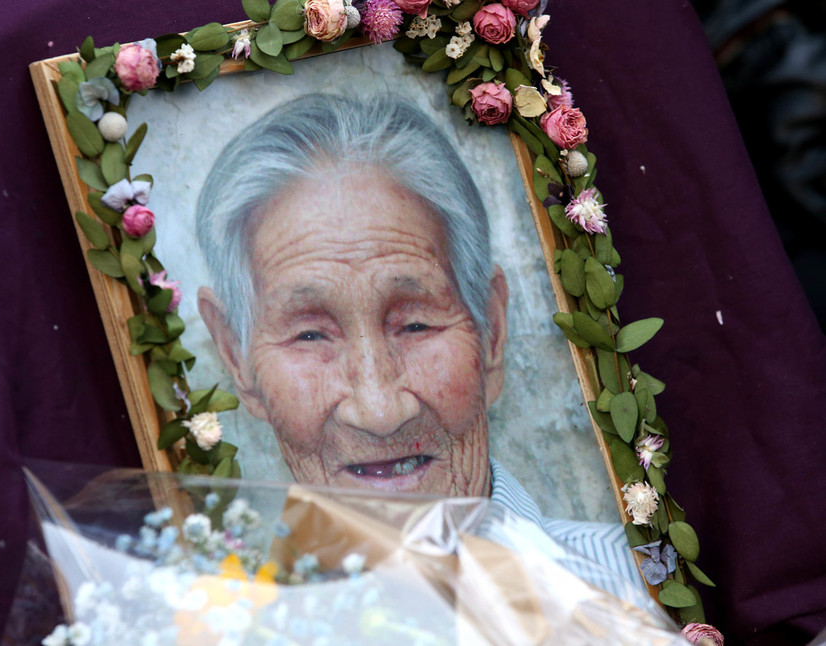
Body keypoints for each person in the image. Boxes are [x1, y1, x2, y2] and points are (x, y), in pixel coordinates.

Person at [195, 93, 647, 600]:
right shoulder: (209, 628)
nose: (379, 410)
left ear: (492, 332)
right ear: (237, 358)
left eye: (415, 325)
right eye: (310, 334)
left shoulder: (642, 592)